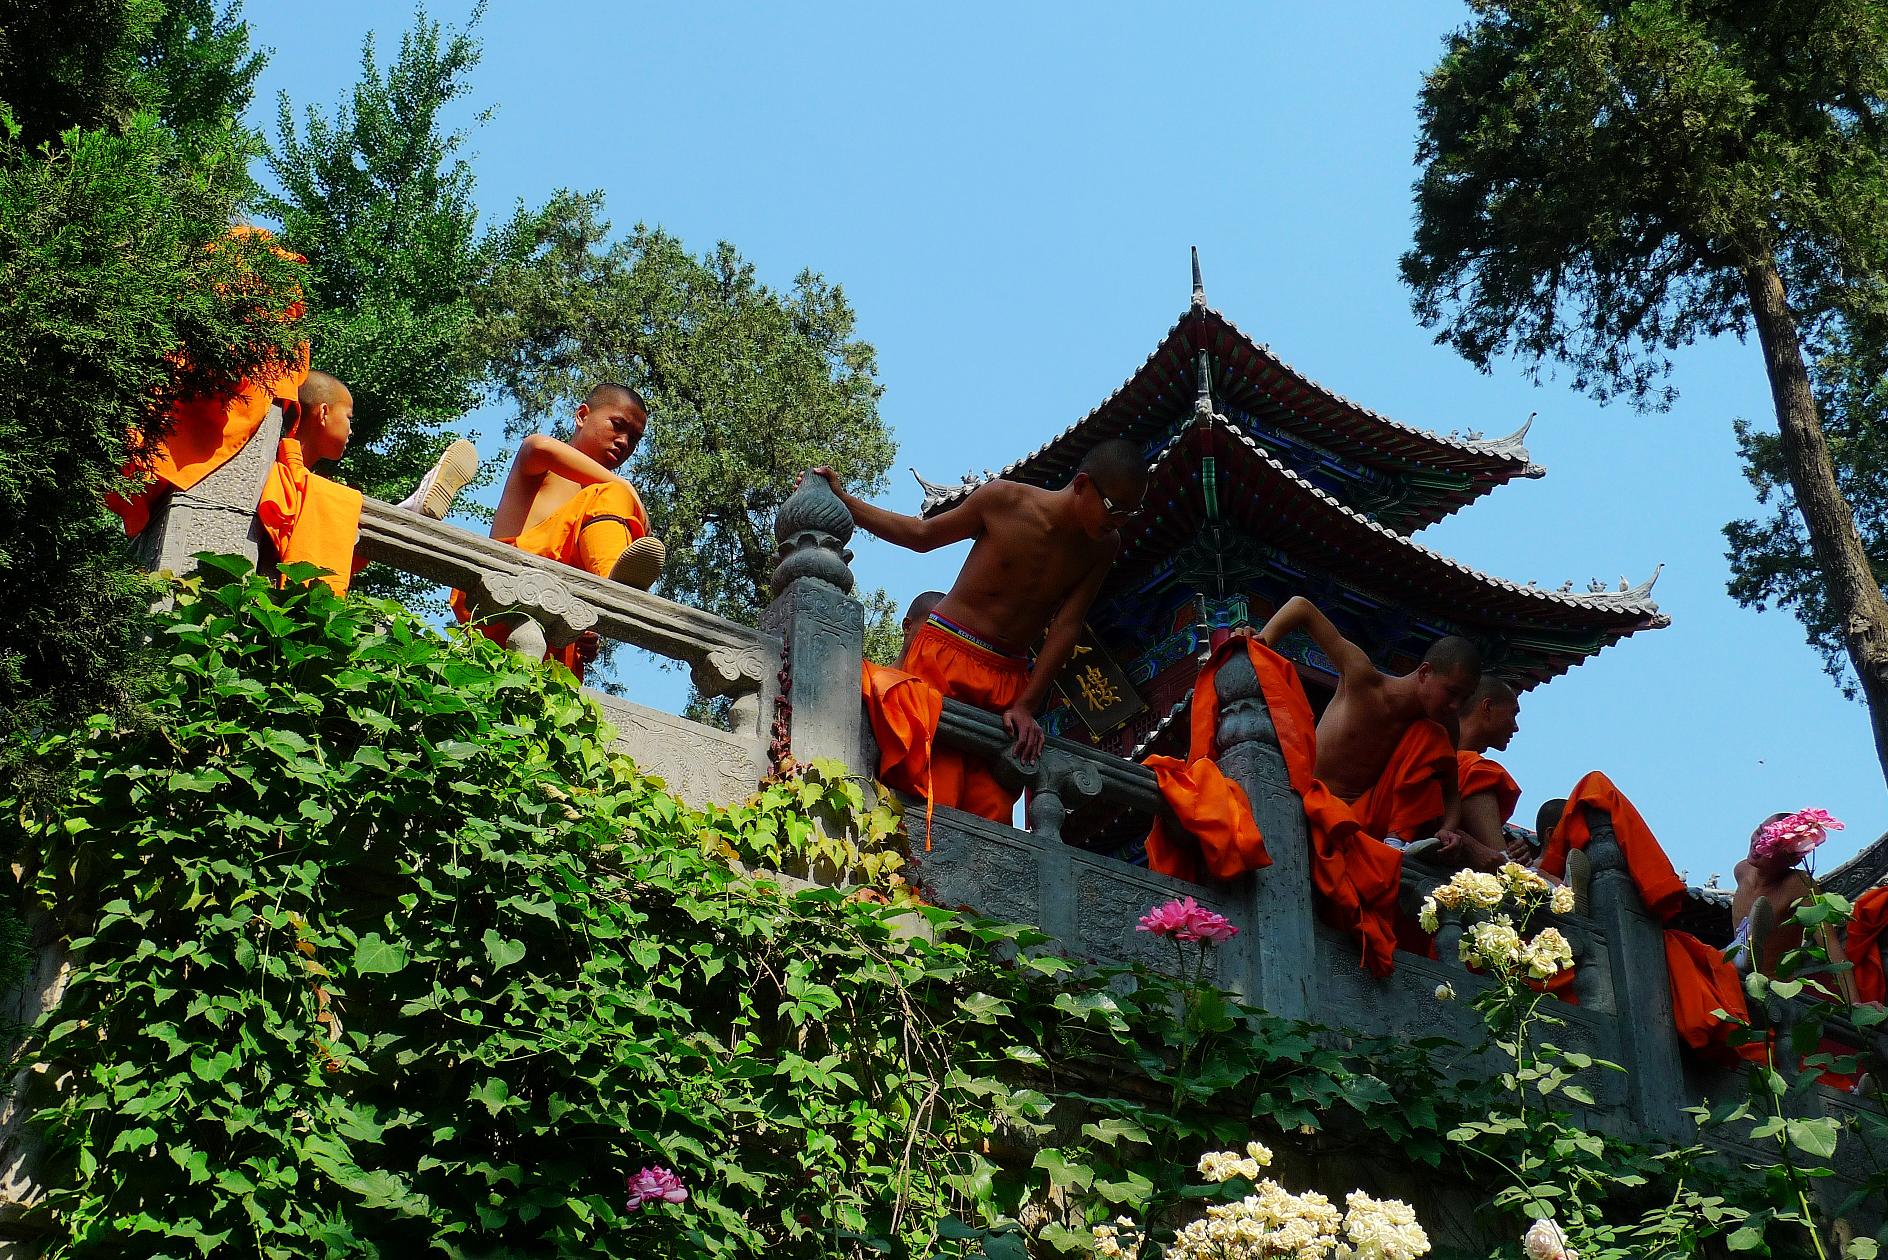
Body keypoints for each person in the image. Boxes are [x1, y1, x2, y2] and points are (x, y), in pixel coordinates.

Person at [817, 438, 1147, 822]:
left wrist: (1027, 705)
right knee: (927, 794)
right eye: (1114, 507)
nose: (1119, 520)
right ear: (1082, 484)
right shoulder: (1004, 500)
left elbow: (1066, 626)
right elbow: (921, 537)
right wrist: (846, 501)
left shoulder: (1103, 546)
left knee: (991, 810)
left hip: (1009, 678)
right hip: (946, 654)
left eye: (1131, 512)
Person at [452, 383, 665, 676]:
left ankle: (610, 593)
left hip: (549, 640)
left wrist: (587, 628)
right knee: (613, 496)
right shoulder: (555, 470)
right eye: (617, 426)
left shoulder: (607, 514)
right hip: (504, 599)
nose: (624, 442)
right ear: (581, 415)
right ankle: (616, 589)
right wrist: (623, 486)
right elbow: (536, 446)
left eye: (634, 439)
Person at [1253, 595, 1479, 845]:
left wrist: (1448, 829)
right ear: (1425, 672)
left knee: (1431, 735)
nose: (1455, 706)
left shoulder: (1444, 726)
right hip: (1309, 800)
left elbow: (1450, 791)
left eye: (1465, 699)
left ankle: (1396, 841)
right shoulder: (1363, 680)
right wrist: (1263, 641)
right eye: (1452, 692)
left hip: (1363, 825)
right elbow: (1301, 607)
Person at [1730, 813, 1864, 1004]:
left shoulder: (1798, 884)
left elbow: (1830, 945)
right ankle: (1737, 953)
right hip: (1735, 978)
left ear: (1792, 859)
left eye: (1772, 844)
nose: (1758, 843)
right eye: (1759, 832)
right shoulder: (1741, 870)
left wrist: (1855, 1003)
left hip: (1772, 987)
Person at [256, 371, 364, 595]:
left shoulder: (302, 479)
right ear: (324, 412)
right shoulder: (275, 467)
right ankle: (409, 510)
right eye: (349, 417)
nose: (351, 430)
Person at [1434, 676, 1527, 872]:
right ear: (1487, 707)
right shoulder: (1472, 767)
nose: (1516, 727)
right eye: (1513, 714)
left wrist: (1515, 850)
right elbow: (1498, 859)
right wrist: (1504, 856)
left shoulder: (1453, 758)